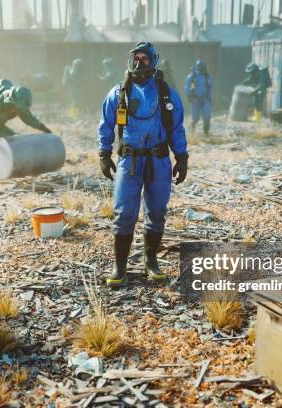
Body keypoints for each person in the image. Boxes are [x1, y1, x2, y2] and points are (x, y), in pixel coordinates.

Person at [98, 42, 188, 288]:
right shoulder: (119, 93)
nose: (139, 63)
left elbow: (176, 127)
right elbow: (106, 124)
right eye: (135, 58)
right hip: (130, 160)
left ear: (154, 61)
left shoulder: (166, 93)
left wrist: (182, 157)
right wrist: (104, 153)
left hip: (159, 160)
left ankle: (151, 261)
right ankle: (120, 267)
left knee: (157, 211)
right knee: (124, 212)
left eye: (144, 59)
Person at [0, 79, 52, 182]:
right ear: (13, 100)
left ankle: (9, 171)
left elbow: (28, 118)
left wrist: (42, 127)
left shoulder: (19, 103)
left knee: (15, 142)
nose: (20, 109)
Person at [184, 59, 212, 136]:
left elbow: (210, 87)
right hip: (195, 99)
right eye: (200, 67)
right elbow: (187, 86)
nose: (202, 69)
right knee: (195, 118)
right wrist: (189, 96)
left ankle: (206, 133)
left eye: (203, 67)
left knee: (207, 117)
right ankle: (191, 132)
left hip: (205, 99)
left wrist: (209, 98)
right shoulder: (192, 76)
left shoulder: (207, 76)